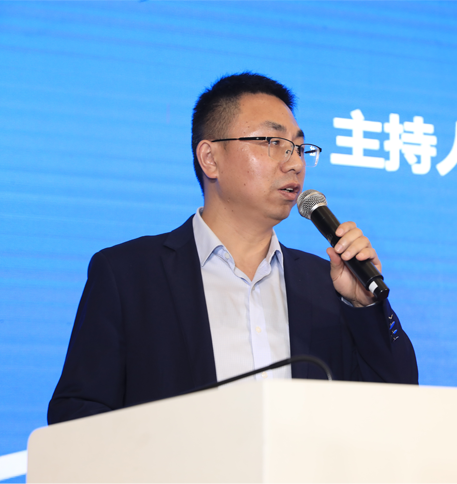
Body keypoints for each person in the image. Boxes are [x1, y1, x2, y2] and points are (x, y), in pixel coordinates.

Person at [47, 72, 418, 424]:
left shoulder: (329, 285)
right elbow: (78, 414)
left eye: (300, 148)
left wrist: (364, 307)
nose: (295, 164)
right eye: (273, 142)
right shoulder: (129, 275)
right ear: (210, 158)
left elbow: (398, 409)